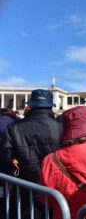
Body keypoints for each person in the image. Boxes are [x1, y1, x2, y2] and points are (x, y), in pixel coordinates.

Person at [0, 89, 62, 219]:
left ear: (31, 105)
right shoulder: (61, 127)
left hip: (23, 186)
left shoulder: (14, 127)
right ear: (50, 106)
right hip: (54, 188)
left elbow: (5, 157)